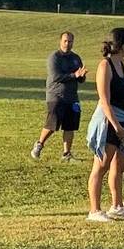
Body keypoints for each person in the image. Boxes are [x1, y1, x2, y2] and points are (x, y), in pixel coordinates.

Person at [85, 28, 124, 222]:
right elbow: (104, 100)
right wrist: (116, 127)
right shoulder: (105, 66)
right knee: (102, 164)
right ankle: (95, 210)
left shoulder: (121, 64)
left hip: (123, 118)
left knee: (119, 164)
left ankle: (117, 206)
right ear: (122, 45)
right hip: (108, 121)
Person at [33, 32, 88, 161]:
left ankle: (66, 154)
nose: (67, 44)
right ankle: (39, 144)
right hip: (56, 96)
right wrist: (74, 75)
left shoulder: (76, 58)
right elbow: (56, 77)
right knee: (53, 125)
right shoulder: (54, 57)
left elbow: (79, 78)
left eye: (70, 41)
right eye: (65, 41)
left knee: (70, 126)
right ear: (60, 41)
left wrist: (82, 75)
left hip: (72, 97)